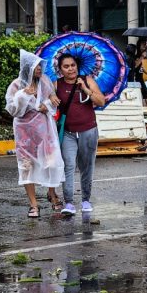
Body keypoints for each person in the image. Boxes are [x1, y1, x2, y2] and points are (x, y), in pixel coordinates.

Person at [5, 51, 65, 218]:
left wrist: (49, 104)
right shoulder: (16, 86)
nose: (40, 68)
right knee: (26, 166)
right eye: (36, 66)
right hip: (25, 132)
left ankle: (52, 193)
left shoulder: (45, 81)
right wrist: (23, 95)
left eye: (40, 65)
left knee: (51, 162)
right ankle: (33, 204)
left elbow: (52, 99)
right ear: (28, 67)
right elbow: (12, 110)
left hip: (45, 130)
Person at [55, 53, 106, 217]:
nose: (71, 69)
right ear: (60, 69)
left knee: (86, 166)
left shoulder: (87, 80)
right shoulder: (56, 84)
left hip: (88, 130)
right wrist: (50, 98)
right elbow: (49, 103)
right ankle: (69, 202)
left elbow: (101, 101)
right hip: (68, 132)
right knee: (68, 166)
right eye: (66, 66)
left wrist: (85, 89)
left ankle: (85, 200)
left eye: (73, 65)